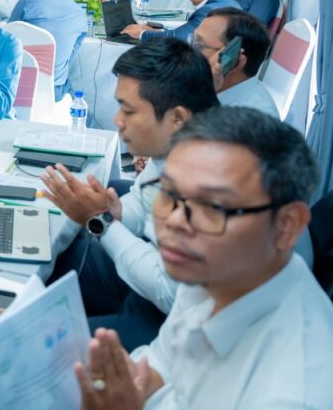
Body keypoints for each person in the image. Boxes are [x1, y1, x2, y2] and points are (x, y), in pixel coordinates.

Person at [75, 107, 333, 410]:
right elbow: (162, 363)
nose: (175, 221)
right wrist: (134, 382)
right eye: (170, 195)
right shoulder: (216, 275)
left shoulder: (299, 406)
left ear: (286, 226)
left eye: (211, 206)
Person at [42, 38, 220, 349]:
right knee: (62, 252)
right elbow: (142, 199)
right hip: (155, 279)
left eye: (128, 110)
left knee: (49, 349)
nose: (117, 121)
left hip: (180, 324)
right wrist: (115, 210)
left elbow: (169, 293)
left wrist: (101, 222)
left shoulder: (211, 182)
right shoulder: (177, 144)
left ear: (177, 118)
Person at [9, 0, 86, 101]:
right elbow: (69, 57)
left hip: (19, 87)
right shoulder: (81, 14)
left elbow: (8, 39)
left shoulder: (27, 2)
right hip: (54, 93)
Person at [193, 8, 279, 118]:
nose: (188, 52)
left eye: (199, 46)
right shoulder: (205, 89)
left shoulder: (254, 118)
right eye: (193, 41)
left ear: (235, 61)